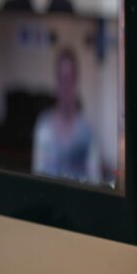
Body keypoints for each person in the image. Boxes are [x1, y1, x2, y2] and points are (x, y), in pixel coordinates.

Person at [32, 47, 103, 183]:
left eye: (70, 78)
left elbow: (95, 182)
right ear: (56, 81)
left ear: (76, 81)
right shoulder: (43, 126)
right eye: (62, 78)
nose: (66, 86)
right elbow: (36, 176)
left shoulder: (88, 132)